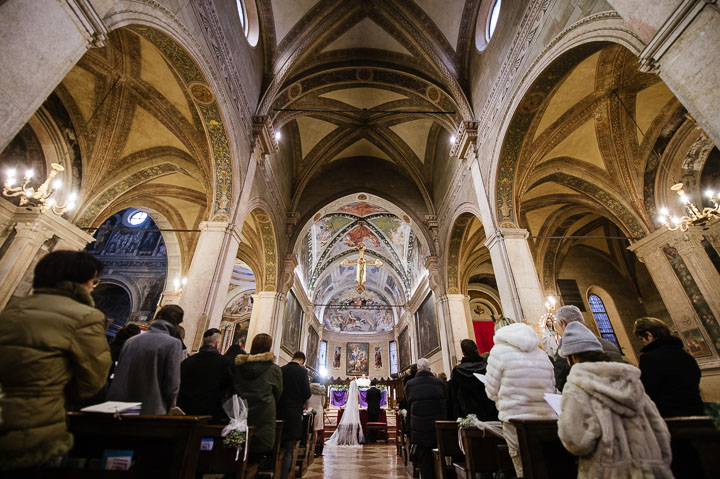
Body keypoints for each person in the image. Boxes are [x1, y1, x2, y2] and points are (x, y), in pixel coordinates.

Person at [0, 251, 112, 472]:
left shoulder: (10, 311)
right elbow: (93, 382)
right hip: (35, 426)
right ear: (79, 282)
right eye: (93, 281)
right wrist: (55, 390)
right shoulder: (84, 317)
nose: (92, 288)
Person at [557, 322, 673, 478]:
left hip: (607, 471)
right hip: (649, 471)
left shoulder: (577, 385)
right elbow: (660, 431)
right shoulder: (631, 380)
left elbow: (577, 441)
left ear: (572, 356)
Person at [485, 322, 556, 478]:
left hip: (515, 418)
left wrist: (503, 400)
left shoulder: (498, 352)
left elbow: (491, 391)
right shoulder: (542, 354)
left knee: (523, 466)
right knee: (546, 467)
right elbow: (552, 386)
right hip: (546, 421)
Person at [106, 305, 184, 415]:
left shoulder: (131, 341)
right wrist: (171, 407)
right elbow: (172, 385)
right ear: (177, 323)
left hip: (120, 408)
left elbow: (119, 373)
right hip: (150, 409)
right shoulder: (173, 344)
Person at [633, 316, 704, 417]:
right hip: (697, 412)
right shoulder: (686, 356)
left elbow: (647, 391)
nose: (643, 343)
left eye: (641, 339)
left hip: (669, 417)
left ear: (649, 335)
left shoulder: (649, 358)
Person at [234, 333, 283, 465]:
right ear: (269, 347)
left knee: (237, 457)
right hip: (263, 417)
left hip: (241, 416)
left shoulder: (238, 367)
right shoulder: (274, 369)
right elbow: (278, 393)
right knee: (259, 457)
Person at [554, 305, 623, 391]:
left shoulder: (567, 348)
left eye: (560, 326)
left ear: (563, 323)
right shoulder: (611, 346)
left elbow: (562, 382)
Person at [177, 328, 232, 423]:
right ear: (217, 344)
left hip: (186, 414)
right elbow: (228, 389)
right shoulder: (225, 362)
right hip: (212, 415)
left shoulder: (187, 362)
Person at [405, 358, 447, 479]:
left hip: (419, 428)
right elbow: (445, 398)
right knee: (439, 455)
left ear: (418, 369)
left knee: (424, 458)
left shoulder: (410, 384)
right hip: (437, 427)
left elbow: (408, 400)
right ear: (429, 369)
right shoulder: (440, 383)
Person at [277, 351, 311, 479]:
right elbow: (307, 393)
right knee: (289, 447)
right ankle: (285, 475)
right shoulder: (302, 372)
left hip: (279, 411)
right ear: (302, 361)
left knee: (278, 444)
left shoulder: (281, 369)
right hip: (294, 413)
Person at [448, 339, 498, 421]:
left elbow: (454, 397)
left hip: (467, 416)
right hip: (490, 415)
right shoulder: (488, 368)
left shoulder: (457, 371)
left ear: (463, 353)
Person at [326, 379, 364, 446]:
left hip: (349, 407)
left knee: (349, 418)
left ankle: (344, 438)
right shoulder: (357, 392)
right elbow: (359, 401)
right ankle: (354, 438)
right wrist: (355, 403)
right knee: (355, 419)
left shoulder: (348, 392)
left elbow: (346, 399)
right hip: (355, 407)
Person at [307, 376, 326, 456]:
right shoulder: (322, 389)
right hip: (318, 410)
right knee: (315, 431)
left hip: (309, 410)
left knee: (308, 430)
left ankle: (308, 449)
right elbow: (323, 402)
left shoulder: (308, 388)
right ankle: (314, 449)